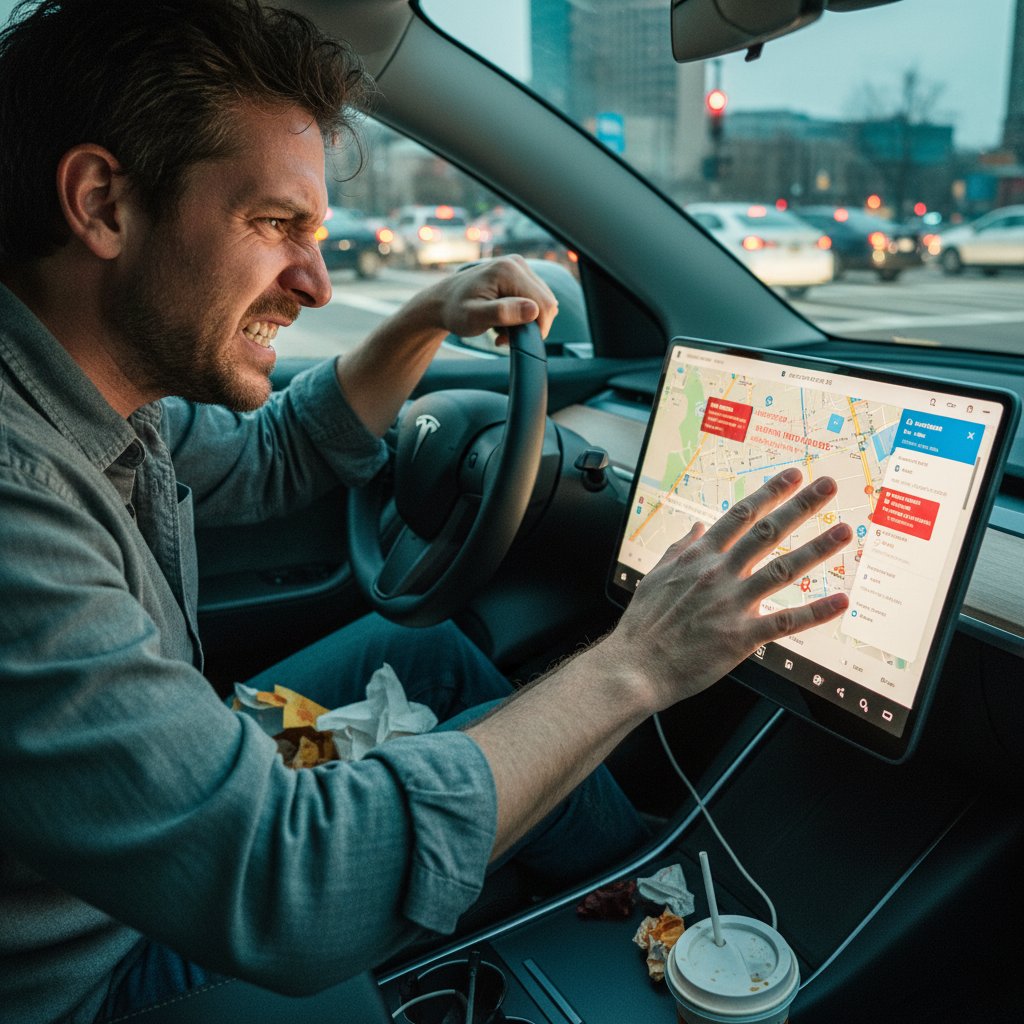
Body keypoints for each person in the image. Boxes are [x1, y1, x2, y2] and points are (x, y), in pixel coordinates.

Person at [0, 1, 853, 1021]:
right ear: (101, 203)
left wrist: (424, 315)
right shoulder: (19, 500)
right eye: (275, 225)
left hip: (120, 851)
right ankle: (687, 930)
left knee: (438, 653)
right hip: (92, 964)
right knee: (549, 708)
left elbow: (273, 455)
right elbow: (283, 882)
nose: (314, 283)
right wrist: (642, 660)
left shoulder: (96, 398)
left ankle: (652, 890)